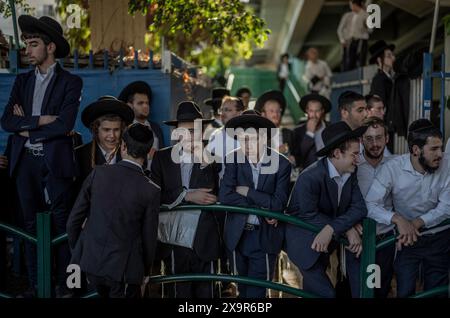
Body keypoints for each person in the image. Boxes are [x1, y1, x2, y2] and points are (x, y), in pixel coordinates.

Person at [0, 15, 82, 297]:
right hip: (25, 164)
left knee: (63, 225)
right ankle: (36, 287)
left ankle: (67, 287)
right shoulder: (22, 82)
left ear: (50, 48)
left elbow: (66, 124)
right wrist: (42, 120)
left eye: (33, 44)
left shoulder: (72, 81)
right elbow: (7, 121)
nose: (27, 50)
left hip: (56, 163)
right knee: (30, 226)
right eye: (27, 44)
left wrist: (27, 130)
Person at [67, 124, 160, 298]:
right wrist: (145, 272)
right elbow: (149, 239)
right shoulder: (151, 190)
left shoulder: (98, 174)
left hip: (90, 264)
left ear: (123, 146)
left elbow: (73, 221)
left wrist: (81, 251)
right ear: (149, 152)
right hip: (125, 273)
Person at [365, 119, 450, 297]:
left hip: (440, 238)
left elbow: (446, 207)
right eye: (434, 149)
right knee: (405, 291)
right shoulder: (392, 168)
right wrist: (398, 219)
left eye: (441, 147)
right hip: (406, 241)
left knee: (437, 293)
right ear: (416, 150)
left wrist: (417, 222)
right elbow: (370, 204)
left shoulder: (447, 164)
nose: (440, 154)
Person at [285, 121, 368, 298]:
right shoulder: (310, 177)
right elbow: (308, 214)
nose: (358, 159)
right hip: (303, 244)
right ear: (337, 153)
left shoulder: (350, 173)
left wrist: (335, 228)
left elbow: (360, 208)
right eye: (354, 154)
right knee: (327, 294)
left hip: (325, 242)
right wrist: (346, 228)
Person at [151, 101, 221, 298]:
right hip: (172, 240)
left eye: (195, 131)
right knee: (177, 293)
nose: (190, 136)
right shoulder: (161, 158)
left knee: (206, 295)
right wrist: (186, 195)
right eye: (185, 131)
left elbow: (218, 194)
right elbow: (154, 194)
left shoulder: (213, 159)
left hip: (204, 238)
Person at [219, 111, 291, 298]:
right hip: (238, 234)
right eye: (242, 139)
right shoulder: (232, 158)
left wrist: (247, 192)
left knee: (257, 291)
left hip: (264, 235)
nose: (246, 145)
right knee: (242, 289)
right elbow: (225, 196)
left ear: (264, 139)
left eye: (252, 139)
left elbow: (278, 202)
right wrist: (261, 204)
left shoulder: (281, 164)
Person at [357, 117, 395, 298]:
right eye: (369, 138)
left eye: (379, 137)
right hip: (357, 239)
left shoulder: (396, 165)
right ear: (361, 140)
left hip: (385, 238)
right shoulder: (353, 164)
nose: (374, 143)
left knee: (379, 288)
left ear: (387, 138)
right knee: (356, 289)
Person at [74, 96, 134, 187]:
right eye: (106, 130)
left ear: (122, 130)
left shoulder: (132, 153)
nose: (112, 135)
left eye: (116, 130)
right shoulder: (79, 155)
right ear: (96, 130)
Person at [118, 80, 165, 169]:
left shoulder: (156, 128)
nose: (145, 106)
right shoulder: (124, 128)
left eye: (147, 103)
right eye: (140, 103)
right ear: (130, 105)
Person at [206, 96, 246, 178]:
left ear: (240, 113)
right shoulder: (215, 135)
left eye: (228, 110)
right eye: (222, 110)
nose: (223, 114)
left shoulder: (247, 135)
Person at [291, 94, 331, 171]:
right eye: (311, 111)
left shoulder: (331, 128)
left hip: (329, 172)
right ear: (307, 111)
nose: (314, 115)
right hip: (309, 174)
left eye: (317, 111)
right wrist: (309, 133)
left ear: (322, 111)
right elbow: (299, 158)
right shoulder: (298, 132)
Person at [254, 90, 293, 160]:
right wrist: (277, 152)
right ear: (263, 114)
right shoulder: (257, 135)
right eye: (271, 111)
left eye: (278, 111)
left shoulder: (289, 133)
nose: (275, 114)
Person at [346, 0, 371, 70]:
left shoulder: (365, 15)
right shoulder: (354, 16)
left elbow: (370, 29)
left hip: (361, 40)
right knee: (351, 60)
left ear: (355, 5)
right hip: (353, 40)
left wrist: (366, 26)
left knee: (361, 59)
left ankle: (360, 75)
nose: (351, 7)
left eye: (352, 6)